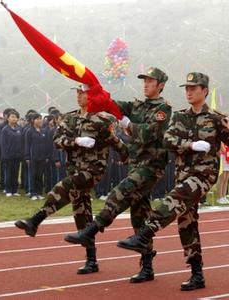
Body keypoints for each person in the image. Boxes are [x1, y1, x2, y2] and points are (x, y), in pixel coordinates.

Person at [116, 72, 229, 291]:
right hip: (184, 174)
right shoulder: (180, 117)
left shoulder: (214, 119)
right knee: (186, 222)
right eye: (187, 88)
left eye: (194, 88)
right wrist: (190, 145)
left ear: (204, 91)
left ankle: (145, 234)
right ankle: (197, 273)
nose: (189, 92)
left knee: (176, 197)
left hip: (204, 176)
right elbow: (168, 140)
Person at [64, 67, 172, 283]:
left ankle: (92, 229)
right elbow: (112, 105)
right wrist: (94, 91)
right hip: (136, 165)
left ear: (160, 85)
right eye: (144, 81)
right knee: (139, 215)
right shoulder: (137, 105)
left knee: (119, 192)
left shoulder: (163, 109)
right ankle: (147, 267)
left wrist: (127, 123)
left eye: (150, 81)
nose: (145, 84)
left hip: (151, 167)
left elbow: (148, 133)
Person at [15, 85, 128, 274]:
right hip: (75, 169)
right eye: (77, 93)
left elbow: (116, 142)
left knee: (64, 187)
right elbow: (57, 140)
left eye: (82, 93)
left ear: (91, 96)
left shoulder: (103, 119)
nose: (78, 96)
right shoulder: (70, 118)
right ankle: (92, 260)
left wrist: (127, 156)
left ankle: (35, 221)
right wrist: (75, 141)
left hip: (92, 171)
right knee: (82, 213)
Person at [0, 110, 23, 197]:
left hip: (17, 155)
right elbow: (3, 144)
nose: (14, 119)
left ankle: (15, 190)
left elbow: (21, 142)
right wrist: (5, 155)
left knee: (15, 173)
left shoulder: (19, 129)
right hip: (8, 156)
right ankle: (8, 189)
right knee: (8, 173)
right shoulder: (5, 129)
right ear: (8, 118)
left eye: (16, 117)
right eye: (12, 117)